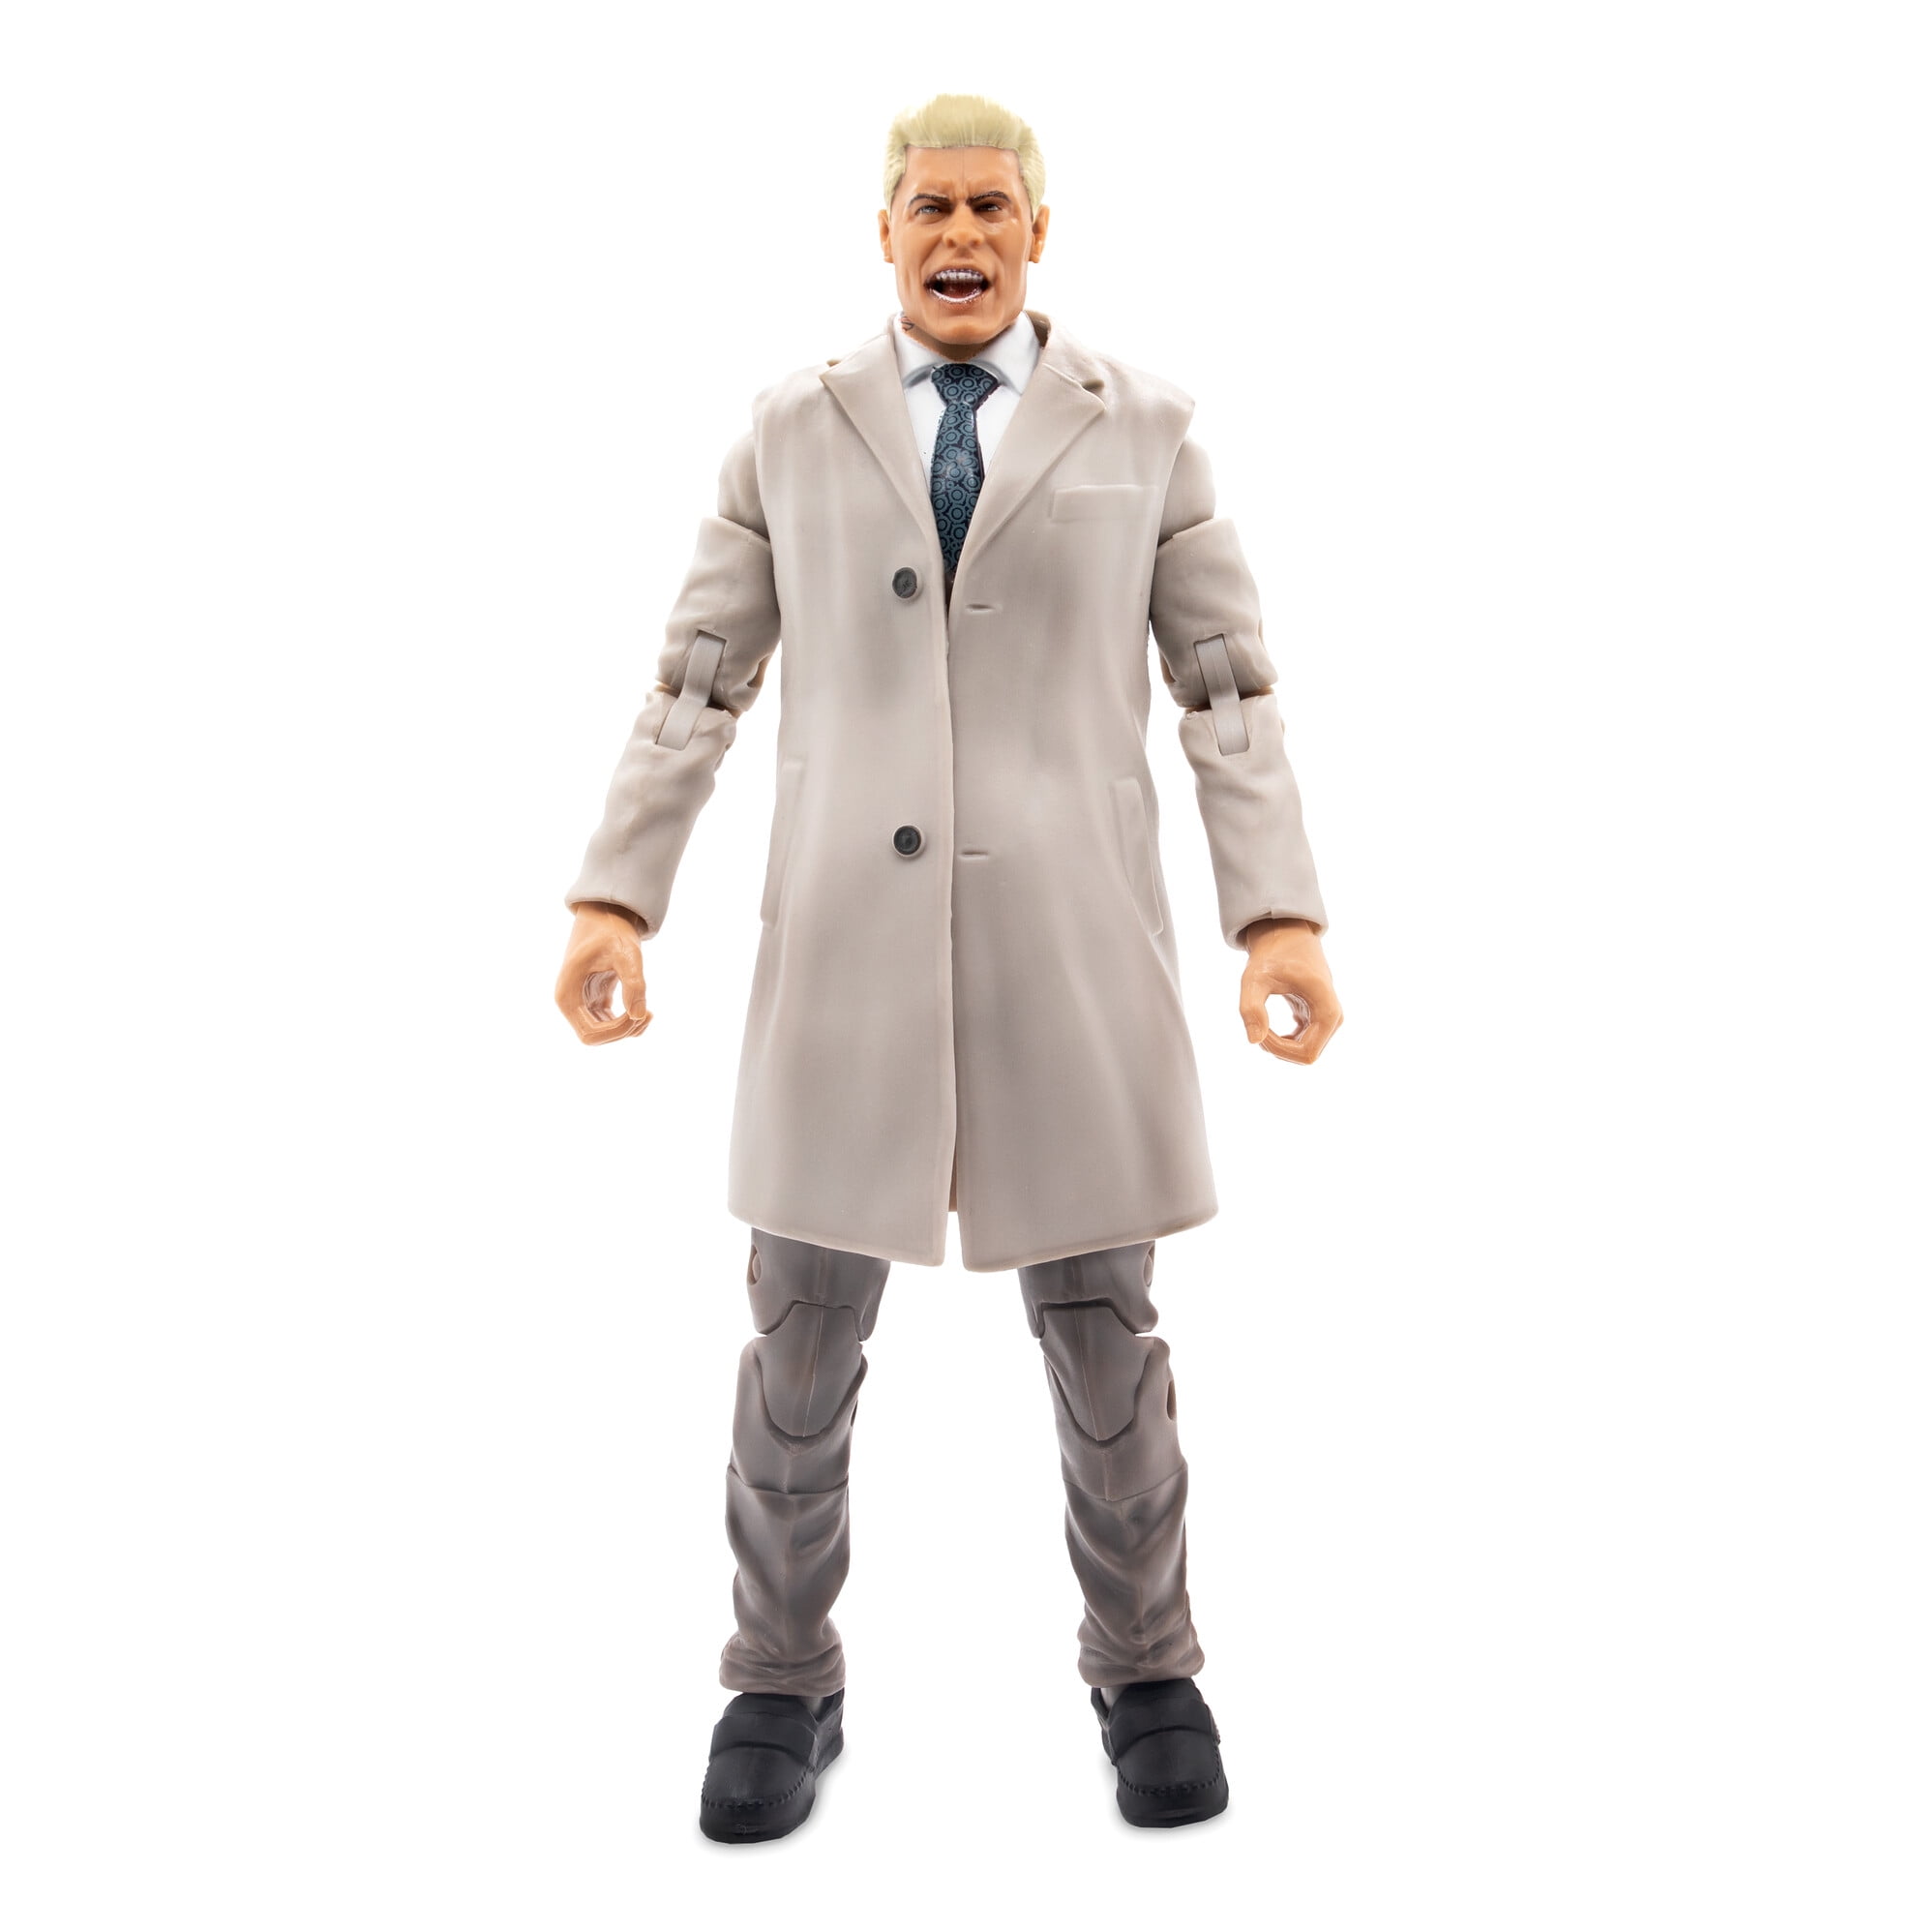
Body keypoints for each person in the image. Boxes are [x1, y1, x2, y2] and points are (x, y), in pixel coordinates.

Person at [554, 92, 1341, 1841]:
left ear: (1039, 231)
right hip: (849, 951)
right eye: (932, 206)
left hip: (1071, 948)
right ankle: (779, 1673)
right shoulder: (791, 429)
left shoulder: (1147, 430)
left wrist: (1275, 914)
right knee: (796, 1345)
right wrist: (620, 894)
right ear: (886, 231)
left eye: (992, 206)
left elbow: (1227, 688)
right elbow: (698, 677)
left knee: (1108, 1345)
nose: (962, 235)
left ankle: (1149, 1665)